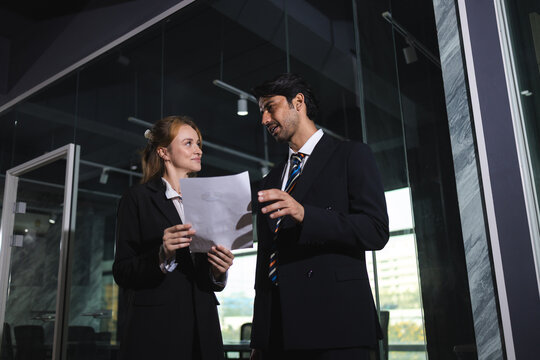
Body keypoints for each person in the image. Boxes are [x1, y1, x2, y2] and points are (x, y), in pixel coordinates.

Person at [249, 74, 389, 360]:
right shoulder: (270, 179)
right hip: (278, 332)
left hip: (336, 325)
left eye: (270, 107)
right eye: (261, 111)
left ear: (297, 102)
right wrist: (260, 336)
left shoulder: (351, 155)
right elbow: (267, 258)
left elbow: (375, 230)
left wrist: (305, 215)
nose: (264, 120)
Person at [113, 115, 234, 360]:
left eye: (199, 144)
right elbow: (122, 271)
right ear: (164, 152)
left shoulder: (208, 200)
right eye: (189, 143)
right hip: (158, 330)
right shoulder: (137, 198)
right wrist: (161, 255)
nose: (198, 150)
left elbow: (207, 276)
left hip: (204, 328)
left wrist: (219, 272)